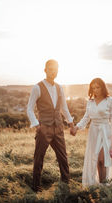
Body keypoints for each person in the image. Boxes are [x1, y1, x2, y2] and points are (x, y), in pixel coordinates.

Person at [26, 59, 75, 192]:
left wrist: (71, 124)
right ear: (45, 70)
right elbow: (29, 108)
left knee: (63, 157)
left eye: (56, 69)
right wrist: (37, 126)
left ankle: (66, 184)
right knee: (39, 158)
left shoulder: (60, 87)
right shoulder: (37, 87)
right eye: (51, 69)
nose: (53, 72)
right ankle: (36, 187)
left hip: (58, 127)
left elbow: (64, 108)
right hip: (44, 128)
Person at [71, 78, 112, 187]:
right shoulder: (90, 102)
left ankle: (104, 184)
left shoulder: (110, 100)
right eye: (93, 88)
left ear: (103, 87)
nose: (96, 90)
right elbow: (86, 118)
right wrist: (76, 127)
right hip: (93, 131)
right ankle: (100, 185)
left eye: (98, 87)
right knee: (96, 160)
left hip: (105, 131)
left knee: (102, 160)